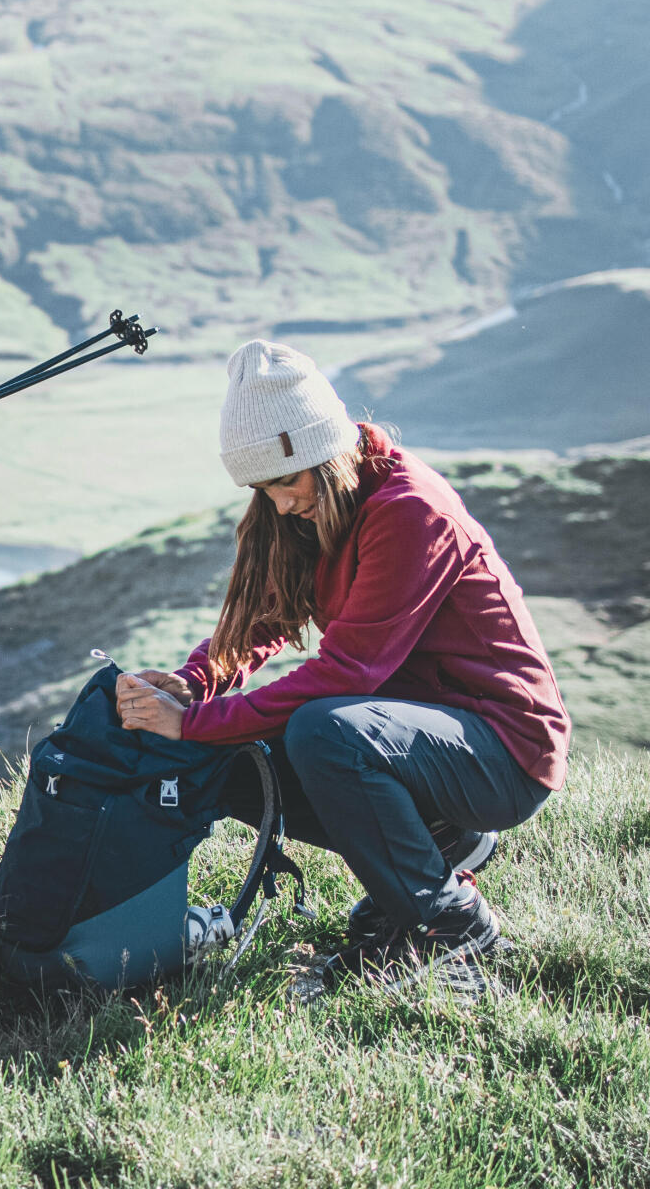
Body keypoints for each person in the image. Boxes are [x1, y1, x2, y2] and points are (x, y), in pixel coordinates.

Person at [116, 340, 568, 983]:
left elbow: (347, 674)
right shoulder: (318, 502)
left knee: (322, 731)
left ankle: (451, 927)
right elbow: (261, 621)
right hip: (421, 737)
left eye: (285, 482)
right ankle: (440, 845)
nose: (278, 503)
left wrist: (188, 725)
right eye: (262, 488)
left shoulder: (410, 512)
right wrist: (195, 687)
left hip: (503, 754)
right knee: (235, 760)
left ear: (323, 452)